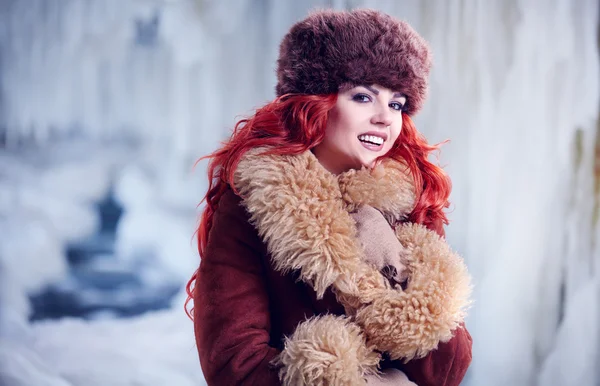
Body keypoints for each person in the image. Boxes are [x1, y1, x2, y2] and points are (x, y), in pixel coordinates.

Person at [186, 8, 472, 386]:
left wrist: (395, 266)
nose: (385, 117)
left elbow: (448, 370)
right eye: (363, 97)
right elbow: (233, 366)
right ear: (316, 102)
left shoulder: (409, 205)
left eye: (397, 103)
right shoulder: (252, 204)